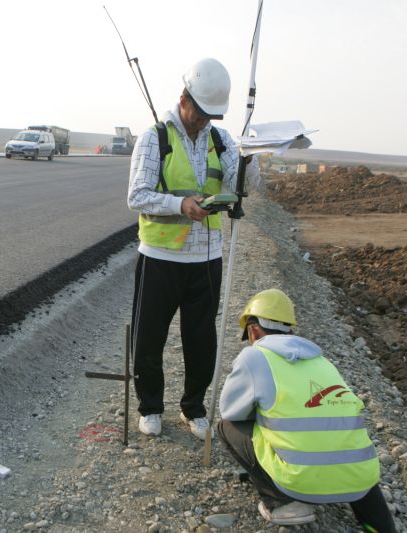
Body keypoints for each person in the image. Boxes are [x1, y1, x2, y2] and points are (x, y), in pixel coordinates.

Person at [127, 57, 260, 439]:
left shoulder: (220, 142)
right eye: (200, 114)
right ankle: (150, 407)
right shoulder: (156, 137)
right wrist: (180, 205)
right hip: (160, 258)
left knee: (201, 339)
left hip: (206, 258)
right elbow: (137, 195)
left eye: (210, 117)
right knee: (149, 338)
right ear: (184, 98)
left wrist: (251, 157)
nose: (203, 122)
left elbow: (251, 187)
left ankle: (194, 408)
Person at [217, 288, 396, 531]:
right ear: (291, 329)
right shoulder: (322, 361)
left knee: (227, 427)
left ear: (253, 329)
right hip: (361, 478)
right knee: (346, 450)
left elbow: (230, 411)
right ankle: (379, 525)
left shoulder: (255, 356)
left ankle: (282, 503)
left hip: (301, 482)